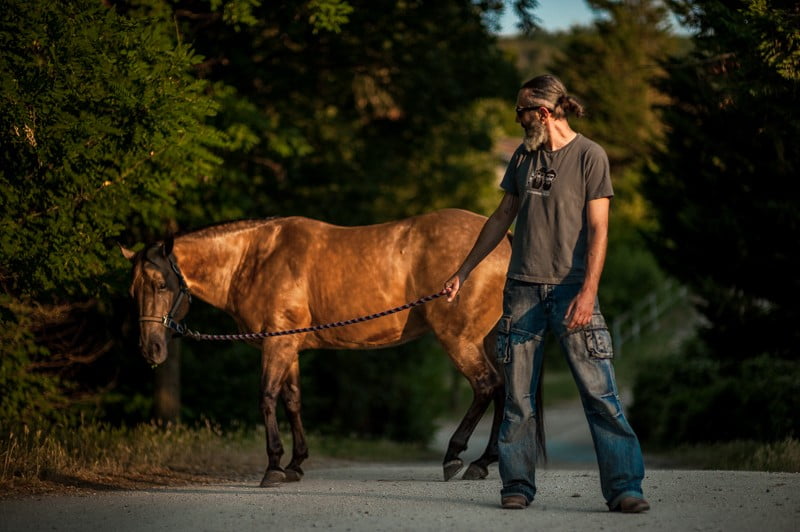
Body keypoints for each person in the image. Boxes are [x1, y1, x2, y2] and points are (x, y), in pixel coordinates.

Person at [444, 75, 649, 513]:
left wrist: (589, 291)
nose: (516, 120)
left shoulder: (590, 156)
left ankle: (625, 488)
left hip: (574, 290)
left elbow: (599, 229)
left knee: (600, 395)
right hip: (522, 292)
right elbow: (501, 217)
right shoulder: (523, 156)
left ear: (542, 111)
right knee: (518, 399)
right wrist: (462, 271)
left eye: (519, 111)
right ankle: (516, 484)